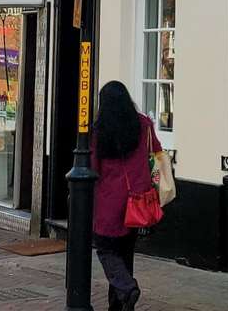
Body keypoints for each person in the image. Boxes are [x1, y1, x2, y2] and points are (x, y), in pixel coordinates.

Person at [93, 81, 161, 311]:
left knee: (105, 249)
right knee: (125, 253)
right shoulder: (143, 124)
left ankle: (127, 288)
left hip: (109, 200)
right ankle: (121, 306)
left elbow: (93, 167)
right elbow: (156, 152)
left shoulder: (99, 130)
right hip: (137, 199)